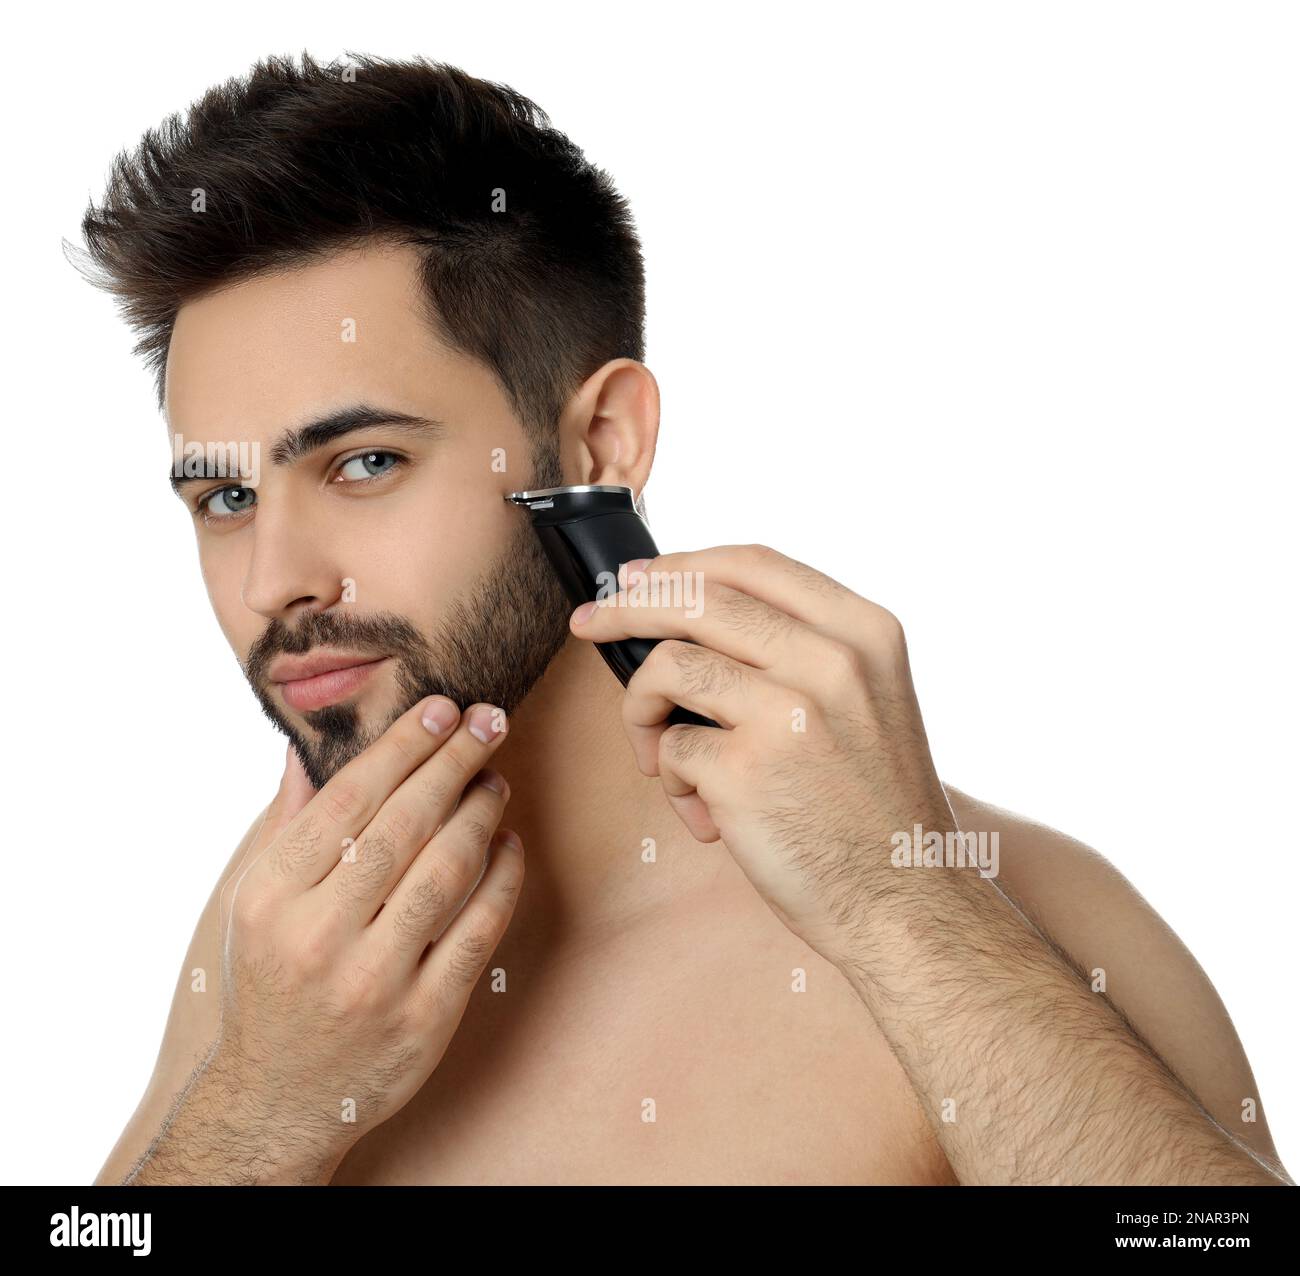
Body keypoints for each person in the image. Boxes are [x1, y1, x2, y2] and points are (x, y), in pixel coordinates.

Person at [71, 51, 1289, 1186]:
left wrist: (902, 911)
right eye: (225, 494)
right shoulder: (296, 929)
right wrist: (265, 1103)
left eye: (366, 463)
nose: (270, 578)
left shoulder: (1007, 912)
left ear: (598, 442)